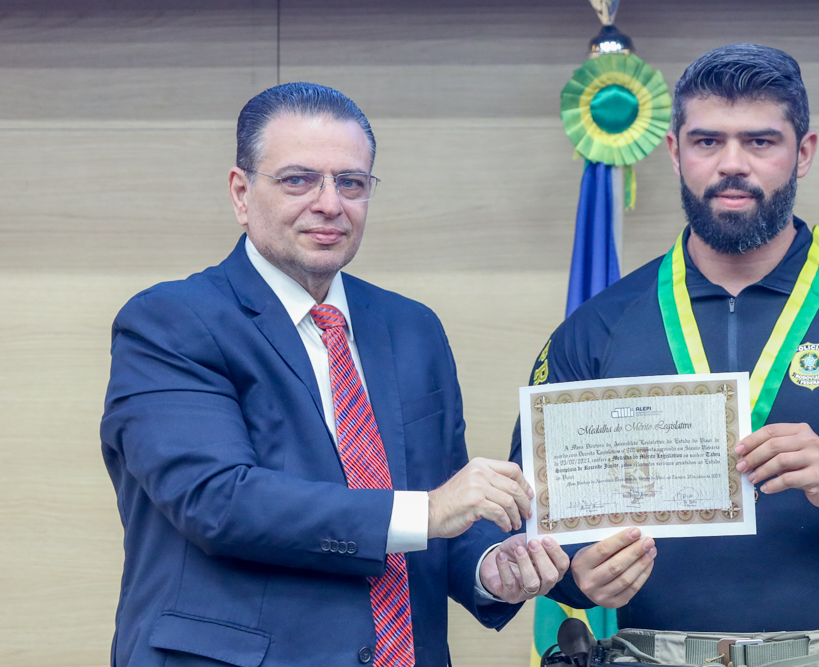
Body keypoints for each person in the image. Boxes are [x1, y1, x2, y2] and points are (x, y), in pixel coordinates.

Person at [509, 43, 819, 642]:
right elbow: (526, 519)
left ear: (803, 153)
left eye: (761, 142)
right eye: (707, 141)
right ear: (675, 152)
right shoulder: (596, 328)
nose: (732, 164)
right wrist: (573, 577)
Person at [101, 82, 569, 667]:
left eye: (351, 183)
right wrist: (430, 511)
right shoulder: (170, 321)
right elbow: (218, 500)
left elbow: (438, 502)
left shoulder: (413, 328)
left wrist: (487, 566)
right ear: (241, 193)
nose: (329, 203)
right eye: (298, 180)